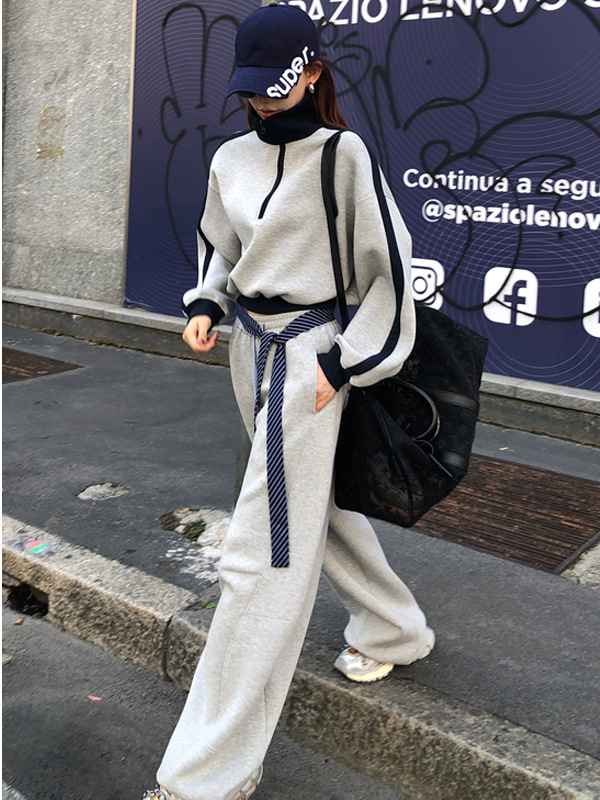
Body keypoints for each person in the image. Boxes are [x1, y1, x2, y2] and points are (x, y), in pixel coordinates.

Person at [143, 5, 434, 800]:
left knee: (260, 557)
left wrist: (343, 363)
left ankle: (206, 773)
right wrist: (207, 302)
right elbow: (221, 245)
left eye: (277, 86)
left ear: (313, 74)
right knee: (314, 509)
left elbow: (390, 271)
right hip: (249, 350)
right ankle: (394, 629)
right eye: (253, 89)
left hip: (312, 359)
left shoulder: (343, 155)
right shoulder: (231, 157)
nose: (263, 102)